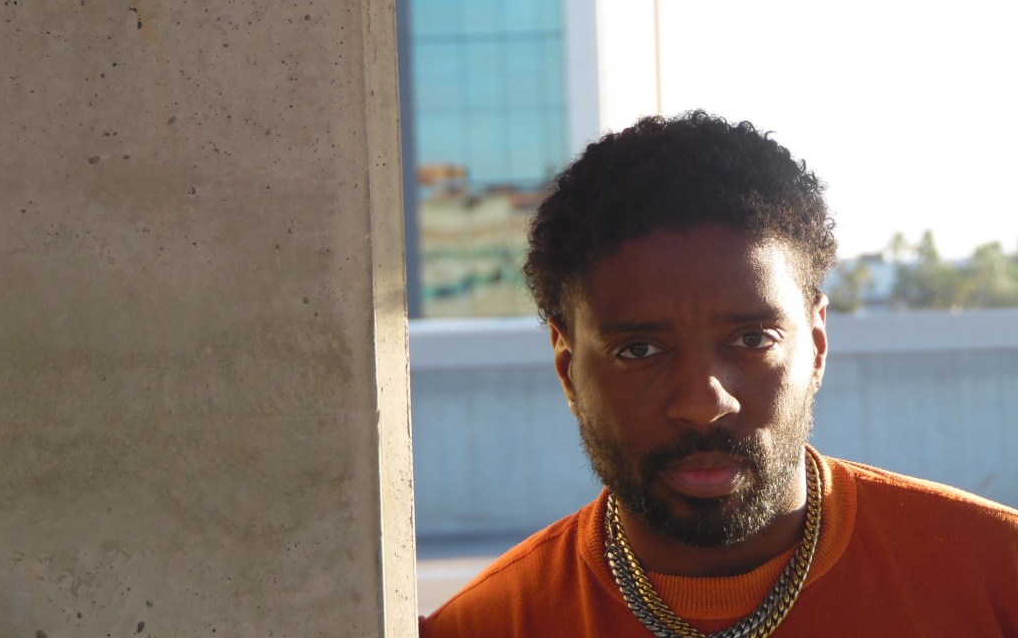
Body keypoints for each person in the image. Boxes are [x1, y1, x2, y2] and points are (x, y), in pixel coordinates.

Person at [418, 111, 1018, 638]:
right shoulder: (485, 627)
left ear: (816, 344)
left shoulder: (998, 578)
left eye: (753, 340)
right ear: (568, 368)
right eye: (639, 350)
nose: (704, 403)